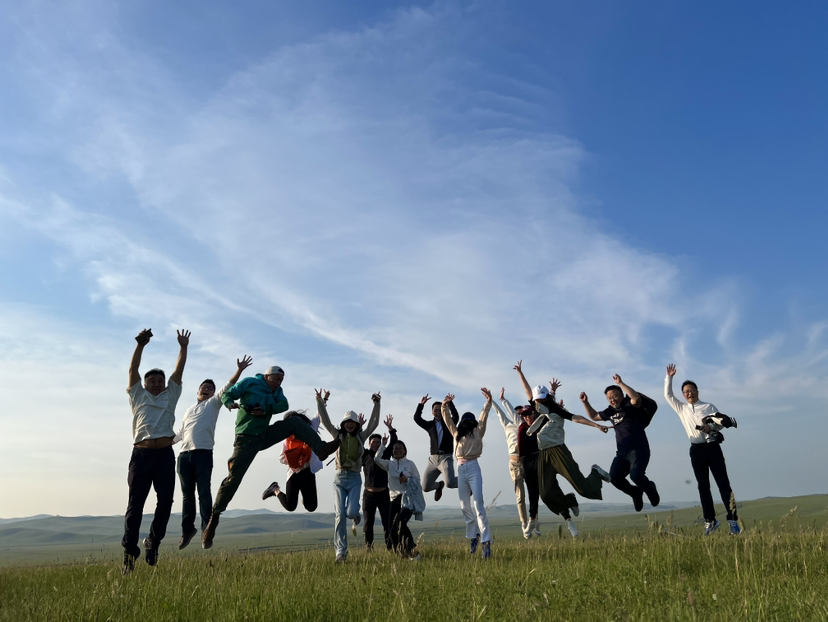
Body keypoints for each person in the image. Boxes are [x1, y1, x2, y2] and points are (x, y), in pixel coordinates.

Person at [201, 367, 340, 549]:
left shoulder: (277, 392)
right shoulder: (249, 382)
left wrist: (265, 409)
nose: (278, 383)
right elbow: (228, 394)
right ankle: (215, 517)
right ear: (266, 376)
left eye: (281, 380)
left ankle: (321, 448)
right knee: (233, 479)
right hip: (245, 439)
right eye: (276, 379)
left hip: (264, 435)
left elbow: (284, 405)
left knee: (295, 422)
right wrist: (229, 404)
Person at [514, 361, 611, 538]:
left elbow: (577, 418)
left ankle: (595, 472)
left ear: (545, 398)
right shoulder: (536, 406)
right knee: (545, 494)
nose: (537, 402)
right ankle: (570, 501)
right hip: (543, 454)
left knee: (583, 488)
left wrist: (596, 425)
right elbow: (528, 391)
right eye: (536, 399)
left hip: (558, 451)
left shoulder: (556, 409)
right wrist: (520, 373)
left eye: (540, 399)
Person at [122, 328, 189, 575]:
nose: (157, 383)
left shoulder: (171, 395)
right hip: (140, 456)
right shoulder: (137, 395)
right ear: (146, 383)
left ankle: (153, 542)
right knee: (135, 506)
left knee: (166, 502)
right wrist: (140, 345)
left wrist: (183, 347)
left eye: (160, 380)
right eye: (153, 380)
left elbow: (178, 372)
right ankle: (129, 554)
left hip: (163, 456)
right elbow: (132, 371)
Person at [174, 354, 253, 550]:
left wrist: (240, 370)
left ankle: (205, 530)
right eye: (204, 387)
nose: (207, 389)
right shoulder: (189, 410)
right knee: (186, 495)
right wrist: (164, 443)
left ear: (213, 392)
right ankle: (187, 530)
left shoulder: (214, 403)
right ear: (198, 390)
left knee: (203, 493)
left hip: (203, 453)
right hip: (184, 455)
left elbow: (228, 385)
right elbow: (181, 433)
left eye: (210, 387)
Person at [665, 364, 741, 535]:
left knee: (724, 485)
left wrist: (711, 429)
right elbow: (668, 395)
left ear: (697, 391)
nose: (689, 393)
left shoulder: (708, 406)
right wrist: (669, 378)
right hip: (696, 450)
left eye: (692, 390)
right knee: (703, 487)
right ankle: (710, 521)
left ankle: (734, 522)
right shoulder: (682, 408)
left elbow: (720, 423)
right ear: (683, 395)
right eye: (686, 391)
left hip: (713, 448)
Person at [316, 389, 381, 562]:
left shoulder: (361, 436)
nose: (350, 424)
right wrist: (320, 402)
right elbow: (325, 420)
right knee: (340, 515)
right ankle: (341, 553)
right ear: (343, 423)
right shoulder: (338, 435)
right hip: (339, 478)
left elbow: (374, 424)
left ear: (356, 424)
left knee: (351, 512)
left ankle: (356, 515)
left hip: (354, 478)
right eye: (347, 422)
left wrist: (376, 404)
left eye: (353, 422)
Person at [580, 374, 660, 512]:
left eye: (615, 395)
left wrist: (621, 383)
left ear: (622, 395)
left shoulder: (630, 405)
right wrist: (585, 402)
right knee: (615, 478)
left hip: (638, 449)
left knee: (636, 475)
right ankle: (636, 493)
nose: (612, 399)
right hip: (622, 453)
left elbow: (636, 398)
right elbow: (593, 416)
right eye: (609, 398)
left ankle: (650, 488)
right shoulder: (610, 412)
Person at [441, 389, 493, 559]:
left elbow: (483, 418)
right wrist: (444, 406)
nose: (468, 424)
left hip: (473, 467)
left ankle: (486, 542)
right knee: (465, 507)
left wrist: (488, 402)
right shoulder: (457, 435)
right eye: (466, 422)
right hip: (461, 469)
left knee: (478, 504)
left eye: (471, 422)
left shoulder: (478, 432)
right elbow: (448, 421)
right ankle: (473, 537)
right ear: (463, 422)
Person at [261, 397, 327, 514]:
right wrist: (294, 458)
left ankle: (305, 497)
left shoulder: (310, 431)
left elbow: (318, 417)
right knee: (290, 506)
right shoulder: (287, 439)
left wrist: (323, 401)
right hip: (294, 473)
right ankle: (275, 489)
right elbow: (281, 458)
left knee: (311, 507)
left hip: (308, 472)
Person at [491, 389, 531, 539]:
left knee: (534, 492)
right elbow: (499, 413)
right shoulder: (507, 424)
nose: (520, 415)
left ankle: (535, 521)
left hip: (527, 461)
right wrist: (493, 400)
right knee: (520, 496)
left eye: (522, 413)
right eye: (518, 413)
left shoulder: (526, 427)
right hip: (514, 463)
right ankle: (524, 523)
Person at [373, 438, 423, 558]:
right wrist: (383, 446)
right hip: (394, 500)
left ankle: (413, 549)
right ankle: (402, 552)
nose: (397, 450)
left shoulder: (410, 464)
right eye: (395, 449)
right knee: (391, 529)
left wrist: (407, 479)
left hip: (407, 499)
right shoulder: (389, 464)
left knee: (400, 523)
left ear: (405, 451)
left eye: (400, 448)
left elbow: (417, 481)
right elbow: (376, 459)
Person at [361, 415, 398, 551]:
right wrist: (360, 427)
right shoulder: (365, 454)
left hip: (384, 495)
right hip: (368, 495)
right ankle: (369, 549)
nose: (376, 444)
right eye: (373, 442)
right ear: (369, 443)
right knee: (368, 524)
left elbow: (394, 441)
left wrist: (390, 429)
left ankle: (390, 548)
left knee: (387, 523)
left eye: (378, 442)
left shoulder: (385, 454)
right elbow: (358, 442)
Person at [414, 394, 460, 501]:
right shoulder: (430, 425)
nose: (438, 411)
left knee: (450, 483)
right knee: (425, 487)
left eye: (440, 409)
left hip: (445, 457)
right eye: (435, 410)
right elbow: (417, 418)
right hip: (433, 459)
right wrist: (421, 405)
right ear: (432, 412)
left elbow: (456, 416)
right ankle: (439, 486)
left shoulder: (449, 424)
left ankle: (467, 482)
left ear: (444, 411)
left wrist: (449, 403)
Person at [516, 403, 542, 538]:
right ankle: (533, 520)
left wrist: (553, 393)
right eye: (524, 416)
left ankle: (534, 520)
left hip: (540, 458)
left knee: (545, 491)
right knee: (532, 492)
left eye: (529, 414)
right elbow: (521, 448)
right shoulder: (522, 428)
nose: (527, 418)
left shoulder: (540, 425)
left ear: (534, 414)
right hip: (527, 462)